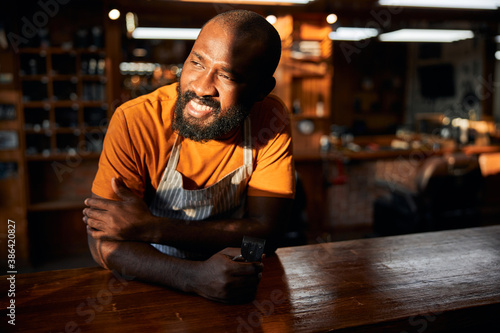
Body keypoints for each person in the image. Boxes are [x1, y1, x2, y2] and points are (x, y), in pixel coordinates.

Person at [83, 9, 295, 303]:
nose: (201, 87)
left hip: (234, 289)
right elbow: (102, 243)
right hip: (151, 287)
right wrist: (190, 277)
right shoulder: (136, 120)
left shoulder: (269, 119)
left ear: (261, 90)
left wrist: (152, 228)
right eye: (197, 62)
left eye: (227, 76)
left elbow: (268, 233)